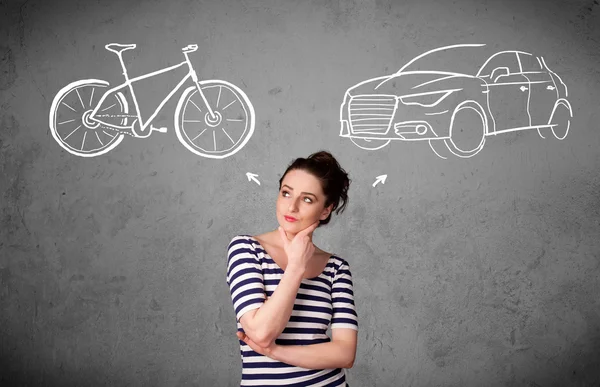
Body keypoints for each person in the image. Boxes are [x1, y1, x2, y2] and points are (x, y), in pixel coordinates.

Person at [226, 150, 358, 386]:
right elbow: (261, 333)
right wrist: (296, 266)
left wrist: (275, 352)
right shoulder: (246, 249)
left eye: (307, 199)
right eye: (286, 193)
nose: (292, 207)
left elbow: (345, 354)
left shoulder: (336, 268)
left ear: (326, 210)